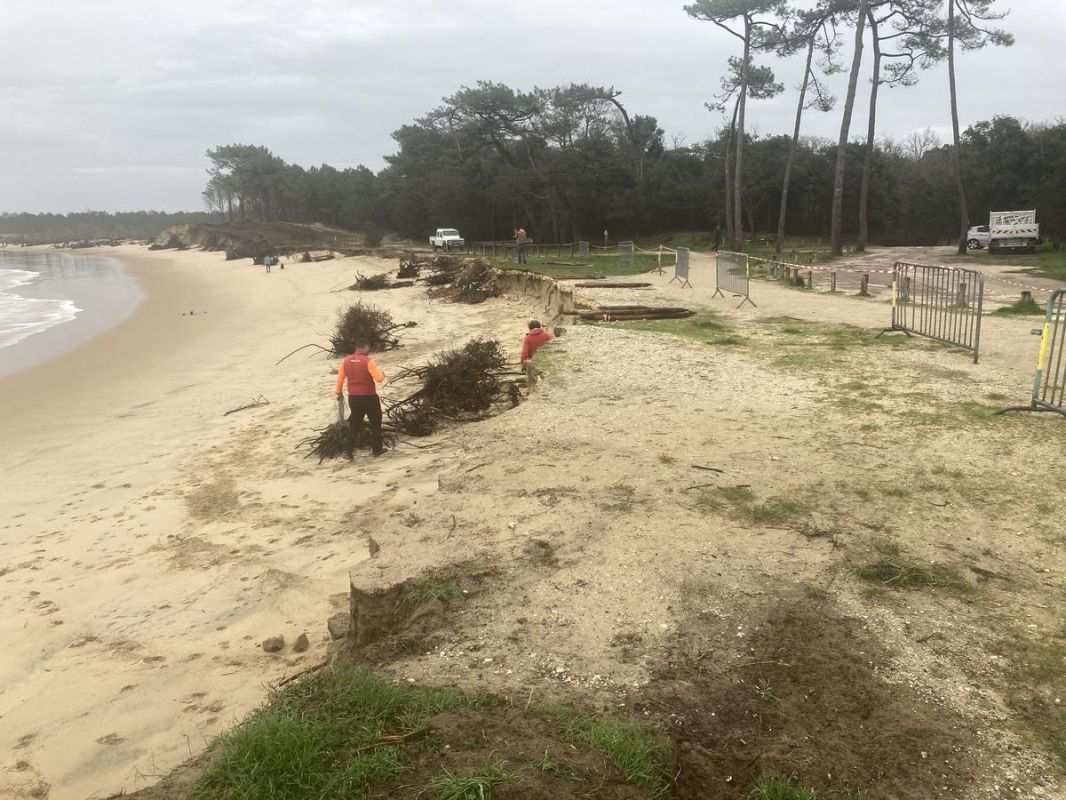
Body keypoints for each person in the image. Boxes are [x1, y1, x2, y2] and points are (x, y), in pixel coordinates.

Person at [334, 339, 385, 457]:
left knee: (355, 424)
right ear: (366, 347)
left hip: (353, 398)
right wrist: (383, 374)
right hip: (369, 397)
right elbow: (379, 379)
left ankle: (348, 451)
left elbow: (340, 379)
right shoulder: (368, 361)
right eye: (369, 348)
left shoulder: (345, 361)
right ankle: (377, 450)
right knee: (375, 422)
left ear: (356, 347)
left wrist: (338, 392)